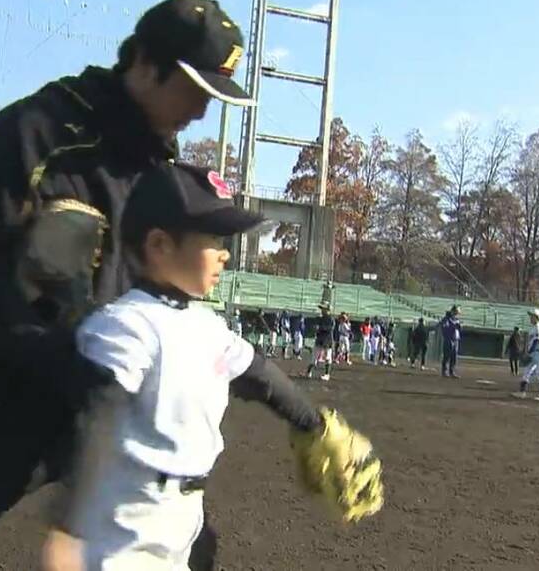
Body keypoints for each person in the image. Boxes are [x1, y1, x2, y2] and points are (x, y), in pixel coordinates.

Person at [0, 0, 257, 570]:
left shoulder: (163, 172)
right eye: (194, 90)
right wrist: (58, 348)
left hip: (104, 405)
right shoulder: (37, 132)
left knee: (190, 555)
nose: (200, 111)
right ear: (145, 63)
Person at [43, 161, 331, 568]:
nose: (225, 254)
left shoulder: (206, 325)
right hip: (126, 521)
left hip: (184, 520)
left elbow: (261, 377)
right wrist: (68, 525)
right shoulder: (125, 325)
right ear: (159, 245)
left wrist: (315, 424)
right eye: (213, 238)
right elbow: (97, 420)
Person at [515, 308, 539, 403]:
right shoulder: (533, 328)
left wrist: (528, 353)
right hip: (534, 353)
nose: (530, 318)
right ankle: (522, 392)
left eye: (532, 316)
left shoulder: (538, 328)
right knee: (527, 372)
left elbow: (536, 342)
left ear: (537, 318)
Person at [306, 305, 334, 381]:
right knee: (314, 358)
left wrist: (320, 328)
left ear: (328, 310)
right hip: (320, 340)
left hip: (327, 341)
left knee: (328, 358)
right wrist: (316, 328)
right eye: (322, 309)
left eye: (324, 309)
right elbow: (316, 327)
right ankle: (308, 372)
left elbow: (329, 328)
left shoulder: (330, 319)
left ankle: (327, 374)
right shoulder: (320, 318)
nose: (322, 310)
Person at [439, 305, 462, 378]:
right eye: (456, 312)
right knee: (447, 356)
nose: (457, 314)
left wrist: (459, 327)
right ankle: (444, 371)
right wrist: (452, 328)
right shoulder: (446, 319)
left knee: (454, 356)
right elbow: (444, 328)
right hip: (449, 339)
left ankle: (452, 371)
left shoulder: (457, 320)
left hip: (456, 339)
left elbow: (459, 329)